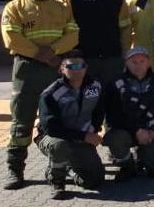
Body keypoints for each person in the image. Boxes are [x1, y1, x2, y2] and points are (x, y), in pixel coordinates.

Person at [0, 0, 79, 190]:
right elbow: (11, 37)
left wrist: (53, 53)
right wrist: (40, 54)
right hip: (27, 69)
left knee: (61, 118)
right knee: (21, 120)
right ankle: (15, 169)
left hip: (55, 68)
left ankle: (63, 165)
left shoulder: (61, 7)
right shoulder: (14, 7)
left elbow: (73, 34)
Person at [35, 51, 105, 199]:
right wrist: (83, 136)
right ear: (62, 68)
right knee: (60, 147)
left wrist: (93, 131)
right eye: (71, 66)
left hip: (81, 137)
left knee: (94, 181)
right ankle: (56, 180)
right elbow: (51, 128)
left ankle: (69, 168)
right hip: (53, 137)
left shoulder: (96, 87)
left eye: (81, 65)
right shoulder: (51, 93)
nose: (77, 69)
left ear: (86, 67)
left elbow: (99, 113)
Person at [103, 46, 154, 181]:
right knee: (114, 137)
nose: (138, 65)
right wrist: (136, 130)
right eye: (133, 62)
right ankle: (127, 165)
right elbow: (113, 116)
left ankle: (143, 156)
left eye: (142, 61)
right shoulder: (115, 84)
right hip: (127, 131)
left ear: (149, 62)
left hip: (151, 133)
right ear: (126, 63)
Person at [59, 0, 131, 84]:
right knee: (82, 96)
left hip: (111, 59)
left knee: (111, 96)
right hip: (81, 59)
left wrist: (124, 54)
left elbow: (125, 28)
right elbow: (61, 28)